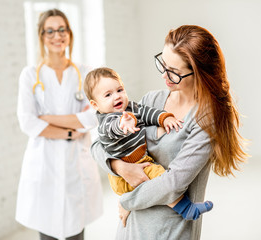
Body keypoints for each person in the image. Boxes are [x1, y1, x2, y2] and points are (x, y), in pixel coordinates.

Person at [91, 25, 248, 239]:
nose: (165, 75)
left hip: (169, 231)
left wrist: (127, 201)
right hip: (131, 226)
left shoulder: (205, 120)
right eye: (163, 64)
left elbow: (173, 184)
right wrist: (120, 167)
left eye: (174, 72)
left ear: (199, 74)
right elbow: (98, 143)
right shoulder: (151, 101)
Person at [16, 9, 103, 240]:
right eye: (50, 30)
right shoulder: (30, 75)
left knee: (76, 230)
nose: (57, 35)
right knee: (48, 229)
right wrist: (68, 133)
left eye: (62, 29)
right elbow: (27, 122)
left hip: (77, 162)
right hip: (44, 162)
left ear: (70, 33)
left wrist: (47, 118)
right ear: (41, 35)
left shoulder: (86, 73)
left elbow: (95, 115)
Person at [84, 67, 213, 221]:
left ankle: (133, 202)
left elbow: (147, 113)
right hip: (124, 174)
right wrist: (122, 125)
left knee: (159, 180)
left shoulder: (131, 108)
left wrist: (164, 118)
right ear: (95, 105)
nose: (117, 96)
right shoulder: (106, 121)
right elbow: (110, 131)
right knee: (159, 175)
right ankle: (186, 209)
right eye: (108, 95)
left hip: (141, 161)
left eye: (120, 90)